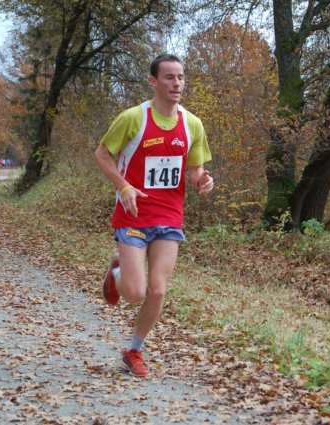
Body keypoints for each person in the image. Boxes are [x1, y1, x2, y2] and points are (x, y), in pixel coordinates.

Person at [94, 54, 214, 378]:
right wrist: (123, 186)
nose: (177, 83)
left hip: (169, 216)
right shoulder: (133, 118)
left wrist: (202, 180)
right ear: (153, 81)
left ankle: (134, 350)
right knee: (135, 293)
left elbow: (195, 171)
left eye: (181, 77)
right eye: (169, 77)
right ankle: (116, 273)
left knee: (158, 290)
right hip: (134, 215)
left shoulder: (192, 124)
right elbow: (102, 155)